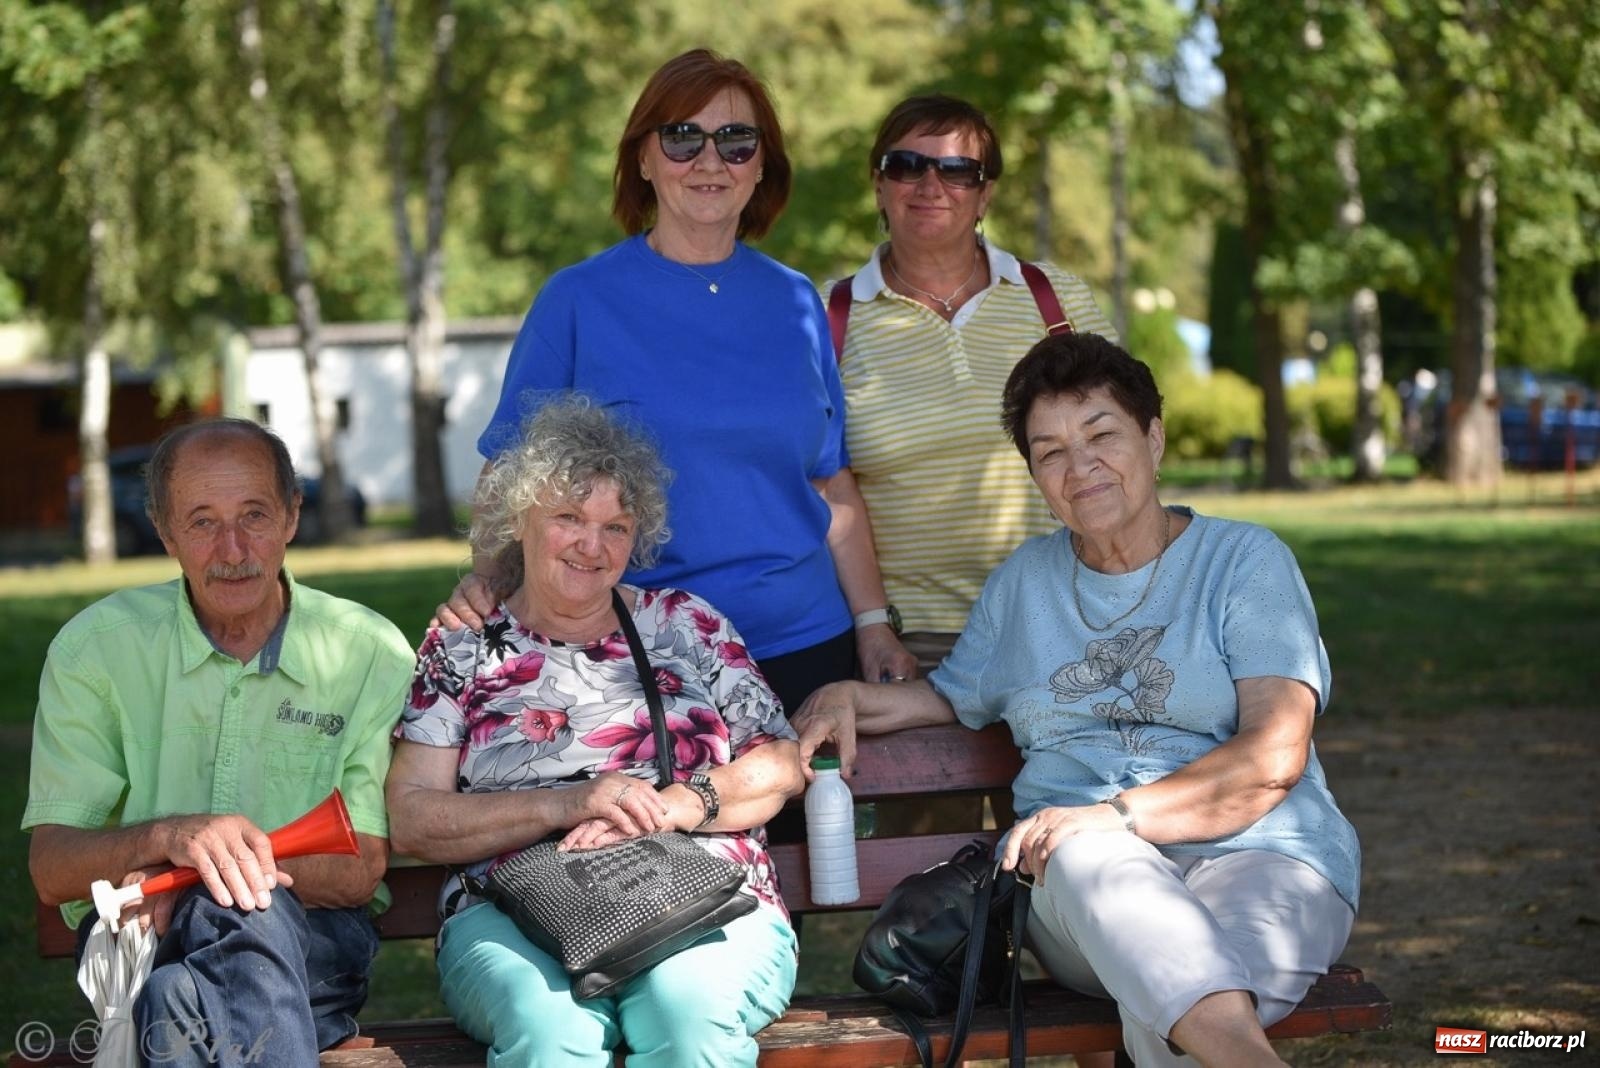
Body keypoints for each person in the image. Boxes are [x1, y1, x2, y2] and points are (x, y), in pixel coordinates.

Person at [792, 333, 1360, 1068]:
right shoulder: (1023, 585)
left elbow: (1273, 758)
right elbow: (947, 697)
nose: (1079, 466)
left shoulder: (1245, 563)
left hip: (1266, 857)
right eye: (1050, 451)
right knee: (1089, 859)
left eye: (1102, 435)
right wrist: (849, 697)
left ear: (1153, 440)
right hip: (1081, 887)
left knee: (1185, 1005)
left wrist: (1119, 814)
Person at [439, 48, 912, 710]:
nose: (710, 161)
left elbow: (831, 485)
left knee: (815, 820)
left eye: (736, 141)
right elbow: (509, 473)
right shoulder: (578, 299)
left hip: (807, 647)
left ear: (761, 166)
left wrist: (872, 625)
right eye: (683, 137)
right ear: (643, 158)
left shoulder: (797, 302)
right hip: (638, 652)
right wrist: (485, 585)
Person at [387, 396, 804, 1067]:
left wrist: (663, 808)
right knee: (548, 1025)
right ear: (517, 520)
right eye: (569, 518)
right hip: (512, 908)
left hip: (700, 896)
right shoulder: (462, 648)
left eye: (616, 526)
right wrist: (565, 803)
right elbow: (410, 816)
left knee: (687, 1011)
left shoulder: (685, 626)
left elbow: (779, 764)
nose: (592, 544)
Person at [23, 418, 415, 1063]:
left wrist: (188, 878)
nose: (233, 549)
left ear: (292, 516)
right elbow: (52, 868)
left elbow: (356, 870)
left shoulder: (367, 652)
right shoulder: (94, 650)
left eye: (254, 515)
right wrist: (168, 836)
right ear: (164, 529)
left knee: (178, 996)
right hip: (144, 943)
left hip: (315, 943)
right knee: (186, 975)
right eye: (202, 521)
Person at [826, 94, 1117, 674]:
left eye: (958, 170)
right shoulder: (826, 319)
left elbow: (1128, 449)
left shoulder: (1056, 301)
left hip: (1070, 624)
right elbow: (828, 488)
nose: (931, 185)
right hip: (912, 645)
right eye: (907, 165)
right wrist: (874, 629)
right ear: (879, 184)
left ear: (985, 194)